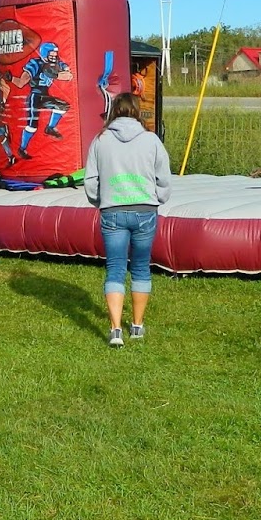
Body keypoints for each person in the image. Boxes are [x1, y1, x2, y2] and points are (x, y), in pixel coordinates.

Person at [84, 92, 172, 347]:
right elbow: (163, 177)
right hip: (145, 209)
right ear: (136, 111)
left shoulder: (100, 140)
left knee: (115, 268)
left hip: (112, 210)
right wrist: (159, 197)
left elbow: (91, 180)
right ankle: (137, 325)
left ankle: (114, 330)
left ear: (113, 111)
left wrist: (99, 201)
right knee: (141, 267)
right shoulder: (151, 140)